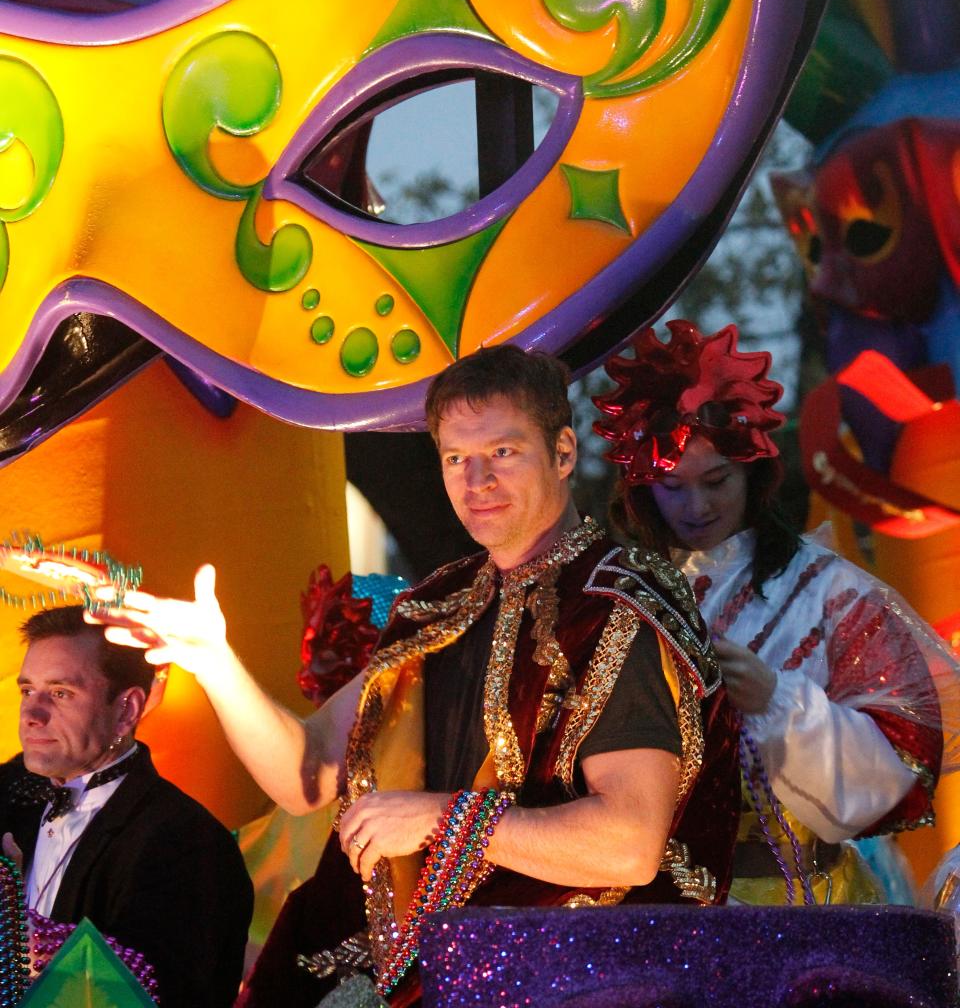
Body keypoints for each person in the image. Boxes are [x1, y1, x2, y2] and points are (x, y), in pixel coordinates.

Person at [89, 344, 740, 1006]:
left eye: (504, 452)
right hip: (409, 964)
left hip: (567, 975)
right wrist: (213, 659)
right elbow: (306, 775)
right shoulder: (442, 606)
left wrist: (439, 821)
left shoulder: (616, 603)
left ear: (563, 454)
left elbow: (628, 844)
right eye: (456, 458)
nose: (476, 479)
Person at [594, 319, 957, 905]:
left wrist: (777, 700)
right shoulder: (617, 597)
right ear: (640, 488)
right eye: (673, 487)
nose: (697, 506)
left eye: (716, 480)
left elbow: (895, 768)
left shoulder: (826, 590)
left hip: (802, 905)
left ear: (753, 472)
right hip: (654, 907)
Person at [0, 605, 254, 1006]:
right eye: (27, 690)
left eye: (61, 693)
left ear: (126, 709)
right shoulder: (9, 792)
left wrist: (18, 932)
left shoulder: (190, 842)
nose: (31, 713)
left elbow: (159, 992)